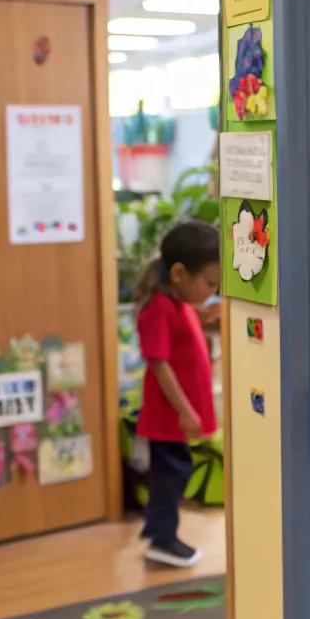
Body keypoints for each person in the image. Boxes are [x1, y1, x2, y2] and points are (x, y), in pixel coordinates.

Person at [134, 220, 220, 566]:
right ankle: (162, 538)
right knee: (169, 479)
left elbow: (185, 326)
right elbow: (159, 363)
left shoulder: (178, 304)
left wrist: (205, 315)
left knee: (174, 474)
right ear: (180, 273)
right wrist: (185, 410)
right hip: (167, 418)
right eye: (209, 283)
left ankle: (160, 532)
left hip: (174, 418)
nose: (211, 291)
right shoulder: (158, 308)